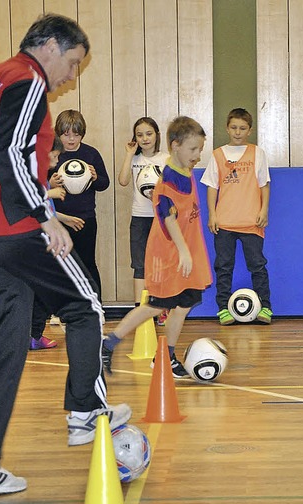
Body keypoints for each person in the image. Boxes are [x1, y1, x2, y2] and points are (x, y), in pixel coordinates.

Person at [0, 14, 130, 497]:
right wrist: (43, 212)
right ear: (49, 46)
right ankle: (85, 414)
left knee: (4, 351)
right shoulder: (27, 76)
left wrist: (37, 160)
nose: (71, 77)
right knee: (86, 306)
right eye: (73, 64)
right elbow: (8, 148)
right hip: (15, 228)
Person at [102, 116, 211, 377]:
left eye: (200, 149)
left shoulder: (185, 170)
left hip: (188, 251)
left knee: (184, 304)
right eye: (193, 149)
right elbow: (168, 217)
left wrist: (190, 250)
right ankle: (108, 343)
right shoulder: (168, 181)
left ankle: (166, 356)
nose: (197, 155)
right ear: (175, 146)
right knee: (154, 305)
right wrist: (184, 251)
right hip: (170, 254)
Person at [200, 108, 272, 325]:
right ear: (226, 128)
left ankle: (266, 307)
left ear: (249, 130)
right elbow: (212, 187)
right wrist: (212, 215)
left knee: (257, 265)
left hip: (251, 222)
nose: (237, 132)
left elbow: (264, 184)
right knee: (223, 266)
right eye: (233, 128)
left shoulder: (257, 153)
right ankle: (223, 309)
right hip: (224, 223)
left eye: (242, 128)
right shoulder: (217, 154)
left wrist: (264, 210)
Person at [30, 136, 85, 350]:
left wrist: (64, 218)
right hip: (38, 243)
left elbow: (45, 210)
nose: (57, 158)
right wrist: (48, 192)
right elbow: (27, 201)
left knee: (43, 294)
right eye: (54, 154)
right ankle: (33, 334)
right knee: (42, 293)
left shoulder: (41, 177)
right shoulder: (32, 177)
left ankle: (34, 333)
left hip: (47, 240)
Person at [50, 109, 109, 303]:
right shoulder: (53, 155)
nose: (71, 139)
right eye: (66, 135)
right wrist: (50, 184)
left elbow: (104, 183)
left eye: (76, 135)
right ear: (59, 133)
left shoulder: (90, 154)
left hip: (85, 219)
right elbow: (37, 186)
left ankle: (95, 305)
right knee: (59, 266)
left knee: (87, 263)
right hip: (58, 219)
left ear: (82, 134)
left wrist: (94, 178)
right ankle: (61, 309)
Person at [118, 116, 170, 325]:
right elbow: (122, 181)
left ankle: (161, 308)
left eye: (149, 133)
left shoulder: (166, 158)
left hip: (161, 218)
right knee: (139, 265)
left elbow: (173, 188)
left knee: (161, 265)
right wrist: (129, 154)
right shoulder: (135, 158)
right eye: (140, 135)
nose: (145, 138)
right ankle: (140, 310)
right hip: (139, 218)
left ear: (157, 135)